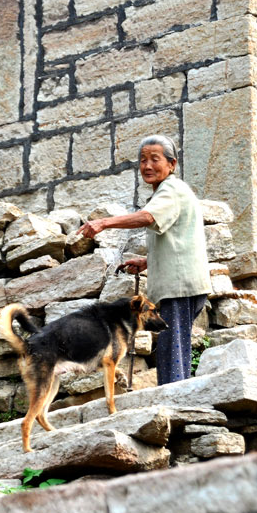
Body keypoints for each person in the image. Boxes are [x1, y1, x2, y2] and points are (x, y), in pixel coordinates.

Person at [77, 134, 212, 385]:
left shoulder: (171, 188)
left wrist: (104, 222)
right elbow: (179, 237)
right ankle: (176, 397)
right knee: (175, 344)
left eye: (154, 159)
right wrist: (147, 262)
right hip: (181, 284)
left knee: (172, 347)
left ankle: (173, 402)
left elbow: (148, 217)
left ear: (172, 164)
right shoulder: (169, 191)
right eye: (142, 160)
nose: (147, 166)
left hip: (179, 286)